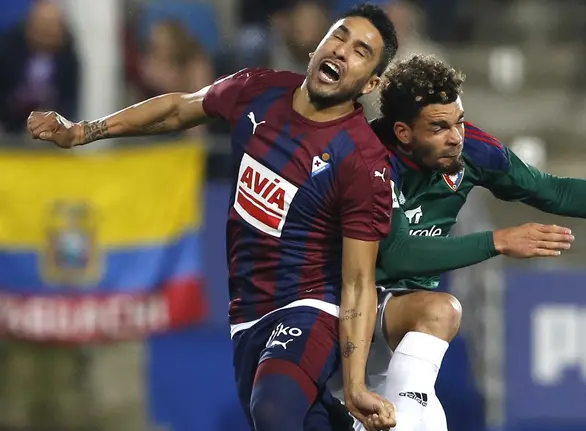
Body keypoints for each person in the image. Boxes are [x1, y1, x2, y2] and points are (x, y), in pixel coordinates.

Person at [27, 4, 401, 431]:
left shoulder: (362, 161)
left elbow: (357, 282)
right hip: (248, 311)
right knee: (294, 420)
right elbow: (178, 109)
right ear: (318, 43)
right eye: (339, 35)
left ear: (371, 82)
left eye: (359, 51)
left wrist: (354, 387)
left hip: (310, 303)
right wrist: (83, 131)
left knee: (275, 411)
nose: (341, 51)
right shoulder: (258, 88)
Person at [356, 54, 586, 431]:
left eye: (459, 121)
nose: (456, 137)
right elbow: (397, 253)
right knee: (441, 310)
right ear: (404, 133)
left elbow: (552, 190)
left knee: (427, 417)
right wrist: (497, 241)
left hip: (397, 322)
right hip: (346, 310)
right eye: (439, 127)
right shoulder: (366, 158)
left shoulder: (471, 150)